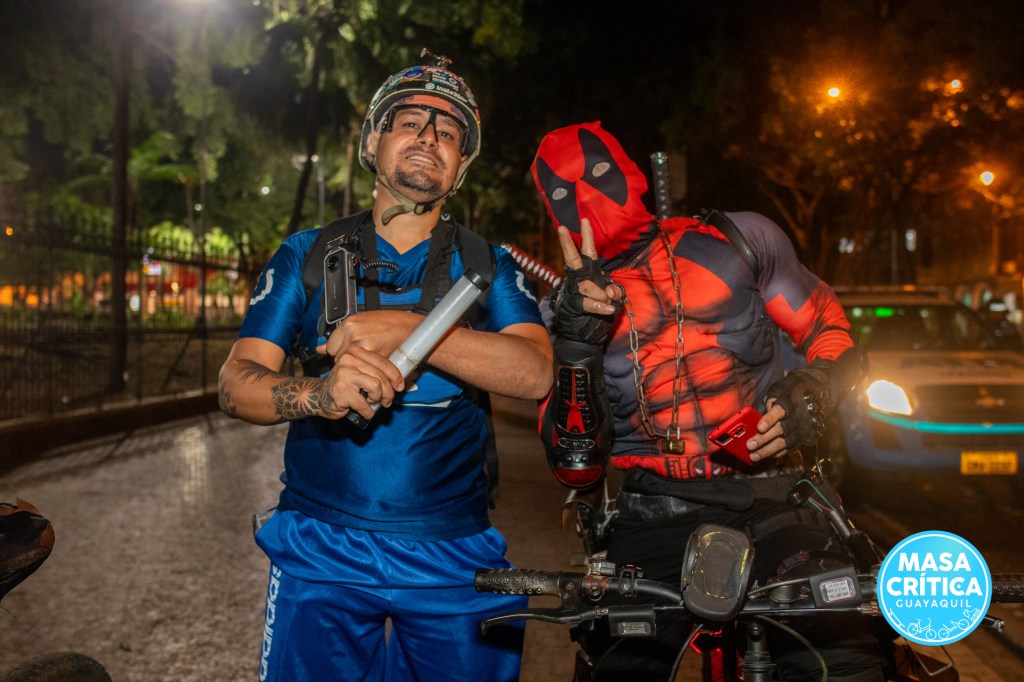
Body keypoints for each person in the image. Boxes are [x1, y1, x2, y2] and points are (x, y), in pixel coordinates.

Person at [218, 52, 552, 682]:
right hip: (321, 547)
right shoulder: (304, 255)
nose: (430, 139)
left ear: (460, 166)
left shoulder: (489, 263)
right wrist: (319, 393)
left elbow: (536, 371)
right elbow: (236, 386)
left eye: (449, 132)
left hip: (456, 554)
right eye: (411, 123)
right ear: (373, 141)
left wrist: (413, 331)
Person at [533, 121, 884, 681]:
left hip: (774, 499)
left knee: (845, 661)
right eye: (560, 193)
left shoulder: (739, 241)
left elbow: (830, 331)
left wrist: (811, 394)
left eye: (600, 174)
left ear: (632, 175)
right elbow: (573, 467)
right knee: (616, 668)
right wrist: (576, 346)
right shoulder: (561, 312)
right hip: (651, 510)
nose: (585, 199)